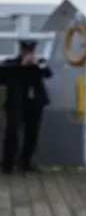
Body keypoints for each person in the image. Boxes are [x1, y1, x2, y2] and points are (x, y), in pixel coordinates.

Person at [1, 40, 52, 174]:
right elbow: (3, 76)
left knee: (32, 133)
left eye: (31, 50)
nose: (28, 53)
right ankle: (8, 163)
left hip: (34, 102)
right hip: (16, 102)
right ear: (21, 50)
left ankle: (26, 162)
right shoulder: (11, 64)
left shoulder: (38, 63)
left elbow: (48, 73)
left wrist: (37, 64)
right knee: (12, 132)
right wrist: (21, 65)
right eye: (26, 51)